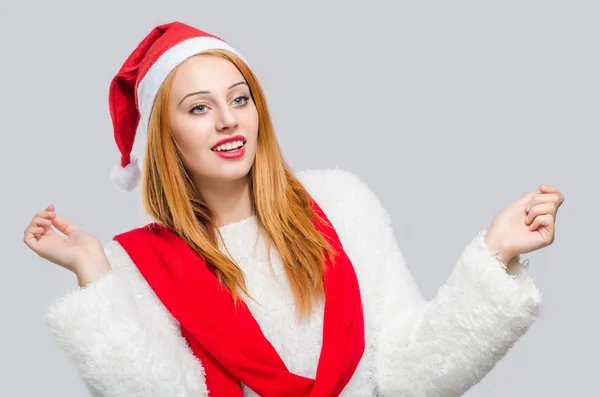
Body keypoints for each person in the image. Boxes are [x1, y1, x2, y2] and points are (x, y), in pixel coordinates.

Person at [23, 21, 564, 397]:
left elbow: (409, 374)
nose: (228, 120)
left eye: (240, 98)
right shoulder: (138, 266)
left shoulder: (341, 206)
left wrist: (495, 255)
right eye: (198, 108)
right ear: (166, 136)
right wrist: (93, 272)